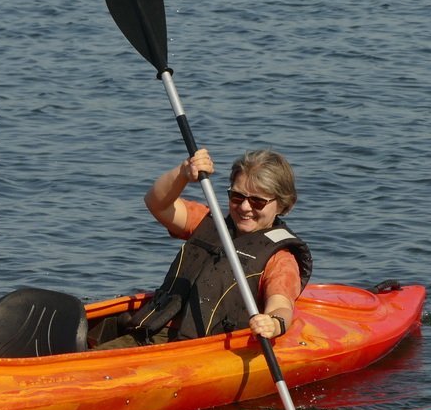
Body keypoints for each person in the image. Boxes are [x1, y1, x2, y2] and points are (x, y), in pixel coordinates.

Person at [94, 147, 312, 349]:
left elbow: (281, 306)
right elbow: (157, 203)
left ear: (283, 204)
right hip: (152, 325)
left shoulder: (281, 258)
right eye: (237, 196)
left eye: (257, 202)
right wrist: (183, 174)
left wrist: (272, 324)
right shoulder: (207, 222)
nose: (245, 207)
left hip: (194, 345)